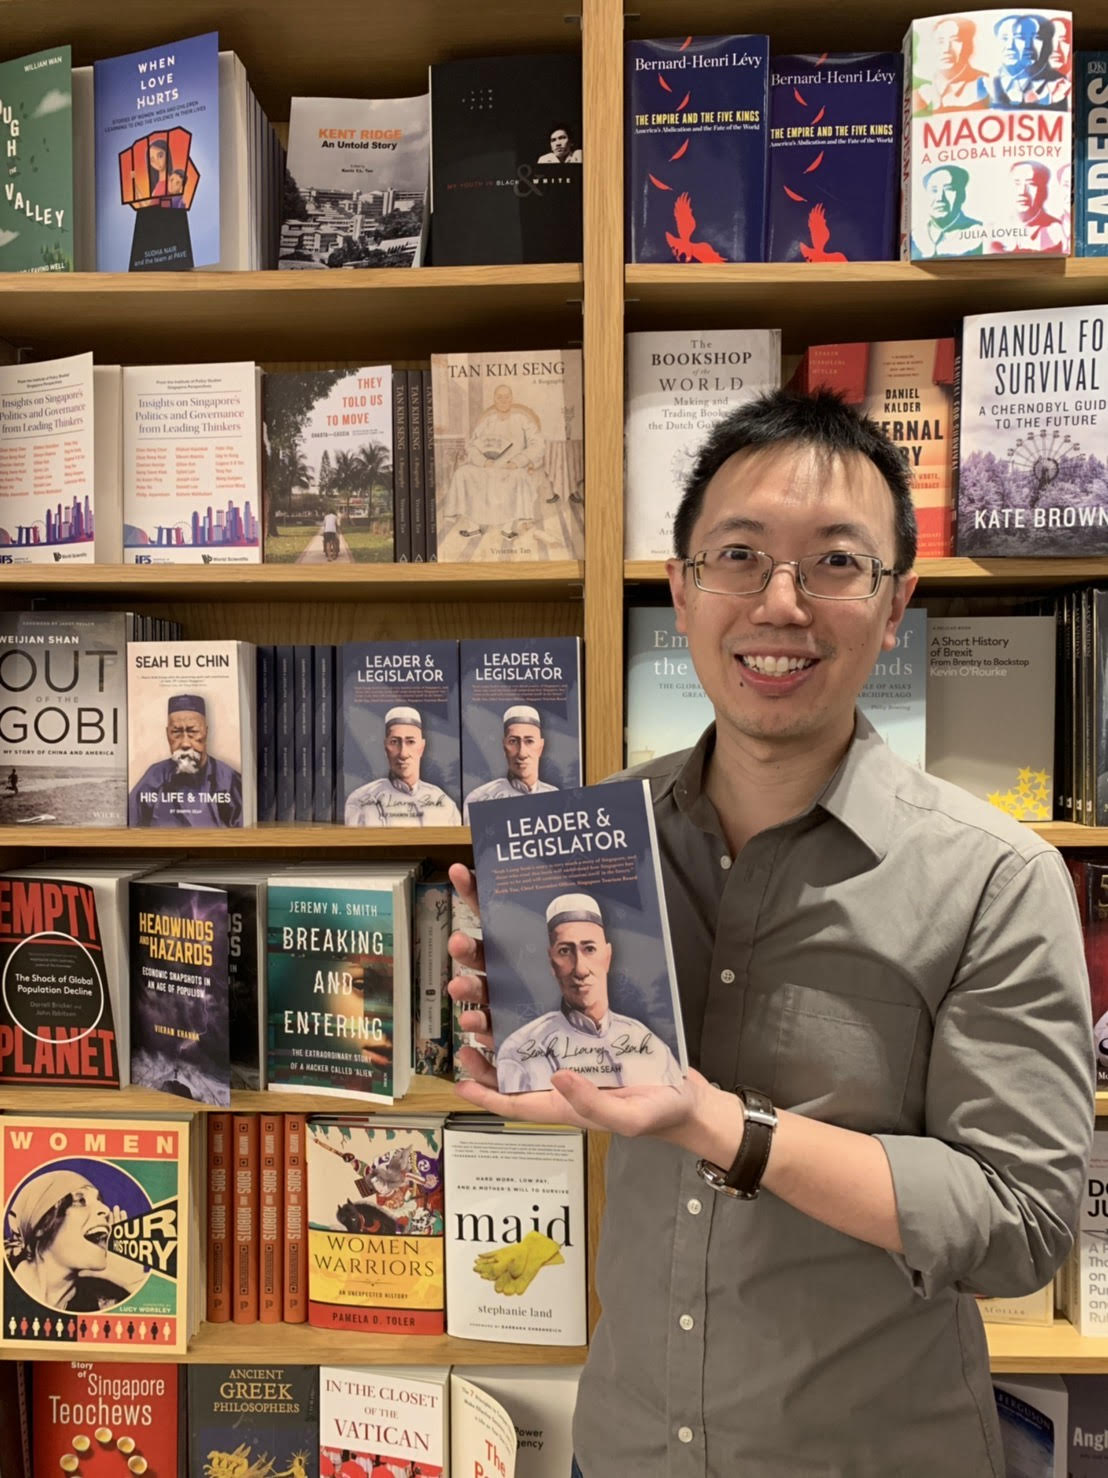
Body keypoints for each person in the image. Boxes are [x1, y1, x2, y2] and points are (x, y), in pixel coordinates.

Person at [447, 387, 1095, 1476]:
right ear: (681, 590)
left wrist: (724, 1124)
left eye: (835, 562)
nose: (781, 603)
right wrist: (520, 1029)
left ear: (897, 604)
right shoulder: (594, 841)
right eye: (739, 557)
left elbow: (1021, 1223)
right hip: (626, 1447)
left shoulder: (995, 878)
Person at [496, 893, 684, 1092]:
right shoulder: (519, 1053)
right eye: (565, 951)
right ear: (552, 962)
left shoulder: (650, 1044)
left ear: (607, 956)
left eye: (590, 949)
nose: (580, 970)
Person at [5, 1169, 145, 1313]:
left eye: (99, 1201)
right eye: (80, 1201)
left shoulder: (101, 1305)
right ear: (41, 1226)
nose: (105, 1209)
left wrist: (134, 1282)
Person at [441, 384, 547, 540]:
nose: (503, 400)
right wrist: (483, 461)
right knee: (462, 473)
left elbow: (538, 444)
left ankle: (507, 528)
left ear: (511, 399)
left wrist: (518, 461)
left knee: (519, 478)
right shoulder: (487, 422)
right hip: (487, 466)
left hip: (512, 467)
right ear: (494, 400)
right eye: (499, 397)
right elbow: (471, 445)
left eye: (507, 397)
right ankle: (473, 527)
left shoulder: (522, 420)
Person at [127, 693, 243, 827]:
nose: (185, 744)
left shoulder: (228, 781)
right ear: (167, 734)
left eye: (193, 731)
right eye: (176, 732)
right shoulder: (154, 777)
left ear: (205, 732)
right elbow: (130, 827)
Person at [344, 705, 462, 827]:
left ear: (421, 747)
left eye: (410, 742)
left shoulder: (445, 804)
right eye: (394, 742)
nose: (403, 753)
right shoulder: (360, 801)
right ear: (385, 747)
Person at [462, 704, 558, 822]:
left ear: (541, 747)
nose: (522, 753)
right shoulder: (480, 799)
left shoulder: (556, 799)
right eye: (513, 741)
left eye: (529, 741)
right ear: (504, 747)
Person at [990, 12, 1070, 107]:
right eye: (1004, 38)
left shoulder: (1058, 84)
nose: (1010, 46)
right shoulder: (990, 80)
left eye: (1036, 38)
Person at [913, 17, 988, 112]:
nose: (946, 49)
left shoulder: (986, 85)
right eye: (940, 41)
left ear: (969, 46)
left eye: (955, 40)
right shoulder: (919, 91)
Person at [912, 165, 985, 257]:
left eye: (948, 189)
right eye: (934, 190)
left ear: (962, 195)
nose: (940, 198)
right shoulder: (914, 236)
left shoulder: (980, 233)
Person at [997, 161, 1065, 252]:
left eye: (1031, 184)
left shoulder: (1056, 229)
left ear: (1043, 191)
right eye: (1017, 183)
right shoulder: (995, 228)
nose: (1022, 192)